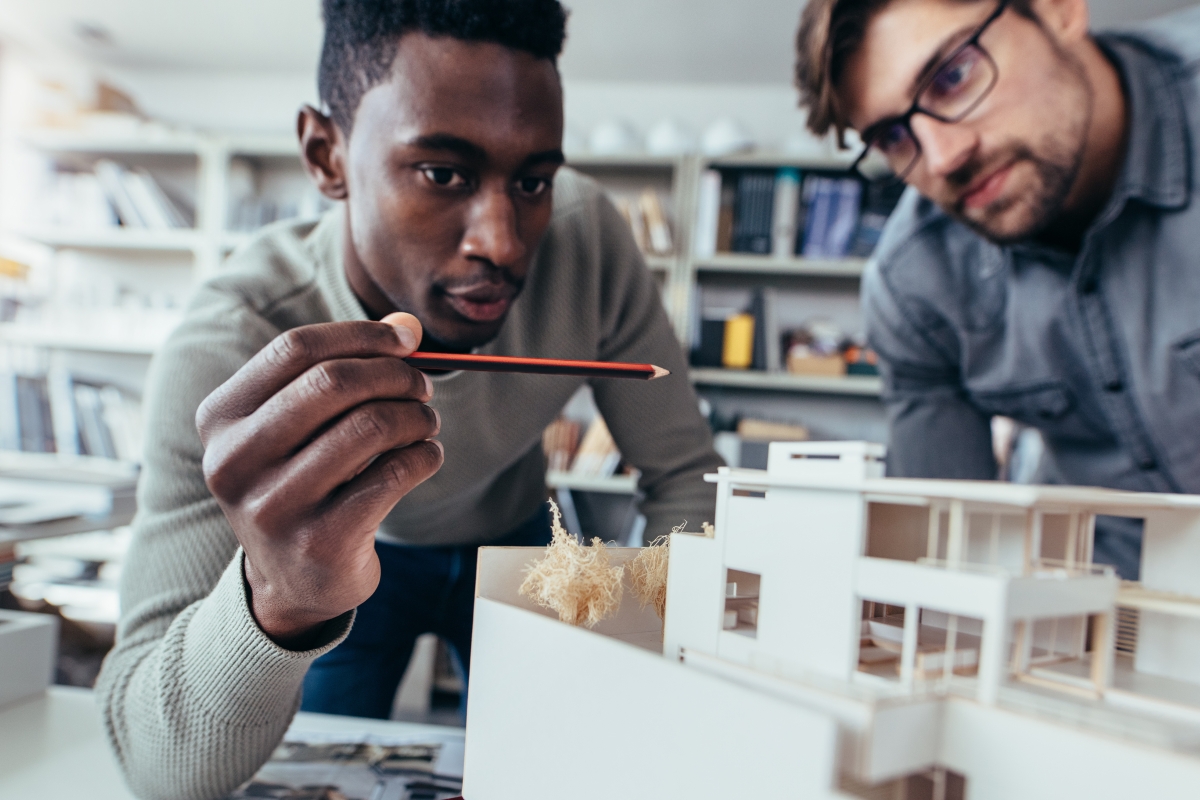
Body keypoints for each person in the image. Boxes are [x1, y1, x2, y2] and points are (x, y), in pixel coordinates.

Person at [96, 1, 721, 796]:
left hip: (517, 541)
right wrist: (280, 598)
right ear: (326, 155)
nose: (502, 241)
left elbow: (687, 479)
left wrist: (641, 647)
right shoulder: (229, 343)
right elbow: (160, 771)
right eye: (443, 174)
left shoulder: (587, 238)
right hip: (347, 566)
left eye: (532, 181)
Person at [794, 0, 1200, 579]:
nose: (942, 157)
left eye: (953, 76)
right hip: (1113, 626)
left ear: (1058, 10)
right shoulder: (915, 286)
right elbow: (942, 567)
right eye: (892, 137)